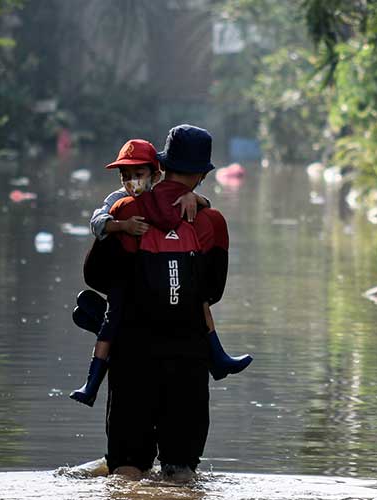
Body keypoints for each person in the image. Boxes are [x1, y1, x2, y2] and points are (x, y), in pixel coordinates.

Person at [83, 124, 236, 477]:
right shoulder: (211, 220)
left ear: (161, 168)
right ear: (200, 174)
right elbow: (212, 292)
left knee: (126, 470)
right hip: (189, 361)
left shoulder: (122, 211)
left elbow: (94, 277)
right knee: (181, 473)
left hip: (132, 357)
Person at [70, 138, 251, 407]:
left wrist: (193, 197)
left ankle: (218, 356)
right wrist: (121, 226)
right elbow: (98, 222)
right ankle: (92, 382)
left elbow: (93, 273)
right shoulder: (120, 202)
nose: (131, 182)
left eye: (138, 175)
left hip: (168, 309)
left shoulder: (170, 200)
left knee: (199, 302)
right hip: (141, 298)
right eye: (125, 176)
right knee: (111, 321)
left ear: (157, 174)